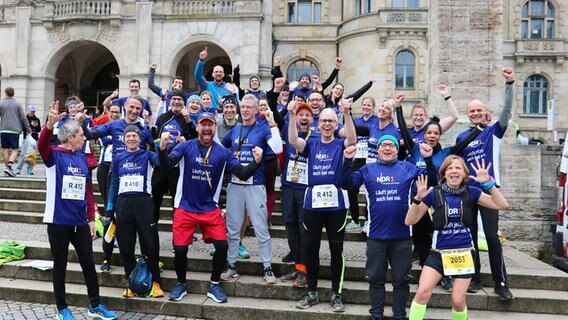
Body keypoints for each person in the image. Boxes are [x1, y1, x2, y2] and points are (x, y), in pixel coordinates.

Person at [158, 112, 263, 303]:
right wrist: (162, 149)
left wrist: (256, 162)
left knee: (222, 246)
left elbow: (242, 173)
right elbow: (167, 166)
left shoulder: (222, 152)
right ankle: (181, 283)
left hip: (209, 208)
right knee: (180, 249)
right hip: (185, 207)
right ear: (197, 127)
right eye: (203, 125)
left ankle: (214, 284)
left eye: (210, 125)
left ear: (215, 128)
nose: (207, 128)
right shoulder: (186, 146)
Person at [342, 135, 436, 320]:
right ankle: (376, 315)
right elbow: (347, 185)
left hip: (402, 237)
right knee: (376, 280)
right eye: (383, 145)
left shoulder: (408, 168)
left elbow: (431, 181)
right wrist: (347, 161)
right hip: (376, 236)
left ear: (396, 149)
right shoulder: (367, 169)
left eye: (391, 145)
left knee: (401, 281)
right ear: (377, 149)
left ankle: (399, 316)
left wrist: (428, 159)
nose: (387, 148)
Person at [38, 101, 117, 320]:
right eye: (81, 134)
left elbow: (87, 190)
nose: (85, 137)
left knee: (89, 264)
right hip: (58, 221)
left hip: (80, 221)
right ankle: (62, 308)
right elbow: (42, 146)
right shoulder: (53, 156)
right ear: (70, 137)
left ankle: (95, 305)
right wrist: (48, 126)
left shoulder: (82, 158)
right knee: (60, 265)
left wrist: (91, 218)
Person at [405, 156, 509, 320]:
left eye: (458, 168)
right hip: (438, 253)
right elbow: (409, 221)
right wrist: (417, 199)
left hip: (464, 253)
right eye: (449, 168)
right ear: (444, 173)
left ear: (464, 173)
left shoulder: (472, 192)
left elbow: (502, 205)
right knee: (422, 293)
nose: (454, 171)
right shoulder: (434, 194)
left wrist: (488, 183)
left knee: (458, 301)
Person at [397, 96, 483, 268]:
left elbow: (465, 143)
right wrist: (398, 108)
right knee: (420, 235)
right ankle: (425, 266)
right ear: (424, 134)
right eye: (429, 132)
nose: (432, 136)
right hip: (419, 197)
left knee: (437, 233)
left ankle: (443, 270)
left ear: (439, 135)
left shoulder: (445, 154)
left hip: (439, 199)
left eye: (436, 133)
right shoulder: (415, 150)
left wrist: (479, 128)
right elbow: (404, 131)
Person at [288, 99, 356, 312]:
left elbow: (352, 138)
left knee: (337, 249)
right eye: (324, 121)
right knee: (310, 249)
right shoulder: (312, 144)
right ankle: (312, 291)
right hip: (313, 204)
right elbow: (293, 140)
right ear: (319, 124)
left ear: (336, 125)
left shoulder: (339, 143)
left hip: (336, 204)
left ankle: (337, 293)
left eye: (331, 121)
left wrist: (346, 113)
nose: (327, 124)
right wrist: (291, 116)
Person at [455, 67, 515, 300]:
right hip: (469, 192)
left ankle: (501, 282)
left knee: (491, 236)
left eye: (479, 109)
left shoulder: (494, 131)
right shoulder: (462, 137)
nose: (476, 113)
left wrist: (509, 83)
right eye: (472, 110)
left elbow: (507, 110)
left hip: (490, 191)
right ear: (468, 114)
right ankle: (475, 277)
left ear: (484, 112)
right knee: (469, 236)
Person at [220, 94, 283, 284]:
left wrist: (272, 124)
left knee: (260, 227)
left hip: (255, 184)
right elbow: (220, 150)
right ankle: (231, 265)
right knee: (232, 228)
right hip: (235, 184)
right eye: (243, 107)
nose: (245, 110)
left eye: (249, 107)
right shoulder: (235, 129)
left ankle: (267, 267)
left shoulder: (263, 128)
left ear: (257, 110)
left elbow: (278, 148)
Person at [106, 125, 164, 298]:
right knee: (126, 245)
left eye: (134, 136)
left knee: (150, 244)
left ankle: (155, 283)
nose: (131, 139)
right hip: (123, 203)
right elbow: (114, 185)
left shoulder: (147, 155)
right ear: (124, 139)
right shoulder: (118, 158)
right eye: (128, 136)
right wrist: (110, 209)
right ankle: (131, 283)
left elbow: (162, 161)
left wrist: (157, 142)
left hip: (144, 202)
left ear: (139, 139)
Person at [152, 89, 197, 224]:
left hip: (178, 167)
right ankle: (151, 232)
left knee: (176, 202)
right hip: (161, 164)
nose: (176, 102)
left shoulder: (187, 119)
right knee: (155, 199)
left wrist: (188, 120)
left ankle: (178, 236)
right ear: (170, 101)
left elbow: (194, 140)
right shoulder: (163, 118)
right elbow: (155, 140)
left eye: (179, 100)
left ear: (183, 103)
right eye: (174, 99)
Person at [345, 96, 379, 233]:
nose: (366, 107)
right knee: (351, 188)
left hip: (371, 158)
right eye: (364, 105)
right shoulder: (357, 121)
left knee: (370, 190)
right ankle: (354, 219)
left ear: (373, 107)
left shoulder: (377, 121)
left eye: (369, 105)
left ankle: (368, 220)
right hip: (358, 158)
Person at [97, 104, 122, 273]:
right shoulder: (106, 127)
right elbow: (101, 138)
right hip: (106, 168)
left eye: (117, 112)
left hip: (123, 171)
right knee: (108, 210)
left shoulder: (125, 128)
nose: (114, 114)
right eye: (112, 112)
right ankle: (107, 256)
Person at [0, 87, 31, 177]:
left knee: (5, 149)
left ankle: (7, 169)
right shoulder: (17, 104)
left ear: (5, 93)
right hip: (14, 130)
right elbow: (23, 117)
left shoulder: (1, 103)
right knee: (15, 149)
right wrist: (28, 128)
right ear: (13, 94)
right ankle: (9, 166)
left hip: (3, 129)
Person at [16, 104, 41, 175]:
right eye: (31, 111)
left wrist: (35, 126)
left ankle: (29, 169)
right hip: (26, 137)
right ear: (28, 110)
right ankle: (19, 168)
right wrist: (30, 125)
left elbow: (39, 129)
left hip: (34, 138)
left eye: (33, 111)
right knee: (23, 153)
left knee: (32, 154)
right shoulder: (24, 118)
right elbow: (22, 128)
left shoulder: (37, 119)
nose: (32, 113)